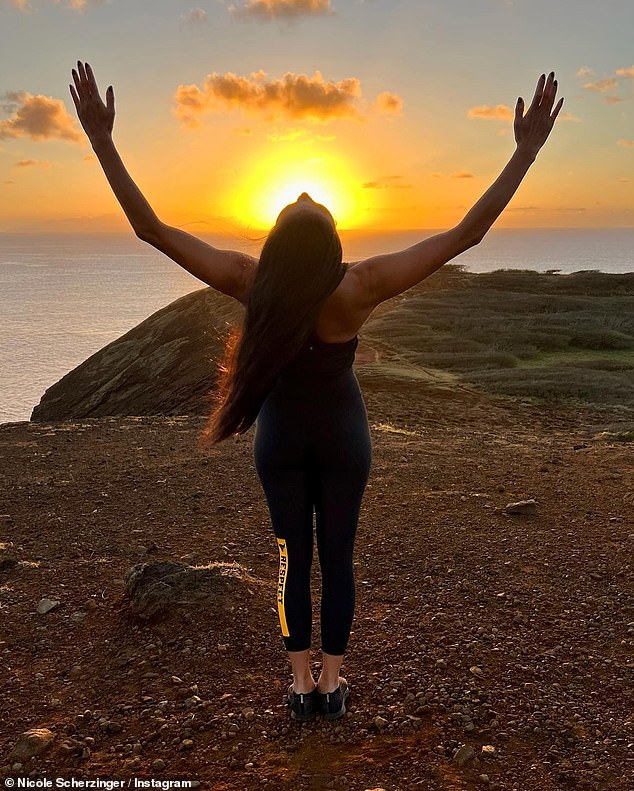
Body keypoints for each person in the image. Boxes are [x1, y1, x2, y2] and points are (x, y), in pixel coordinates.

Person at [69, 62, 564, 722]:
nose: (303, 192)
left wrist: (103, 142)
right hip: (342, 434)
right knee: (337, 556)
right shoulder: (357, 287)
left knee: (288, 558)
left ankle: (300, 683)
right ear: (331, 239)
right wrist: (524, 152)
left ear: (278, 244)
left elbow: (151, 228)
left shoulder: (253, 281)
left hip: (279, 437)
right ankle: (332, 683)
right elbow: (466, 234)